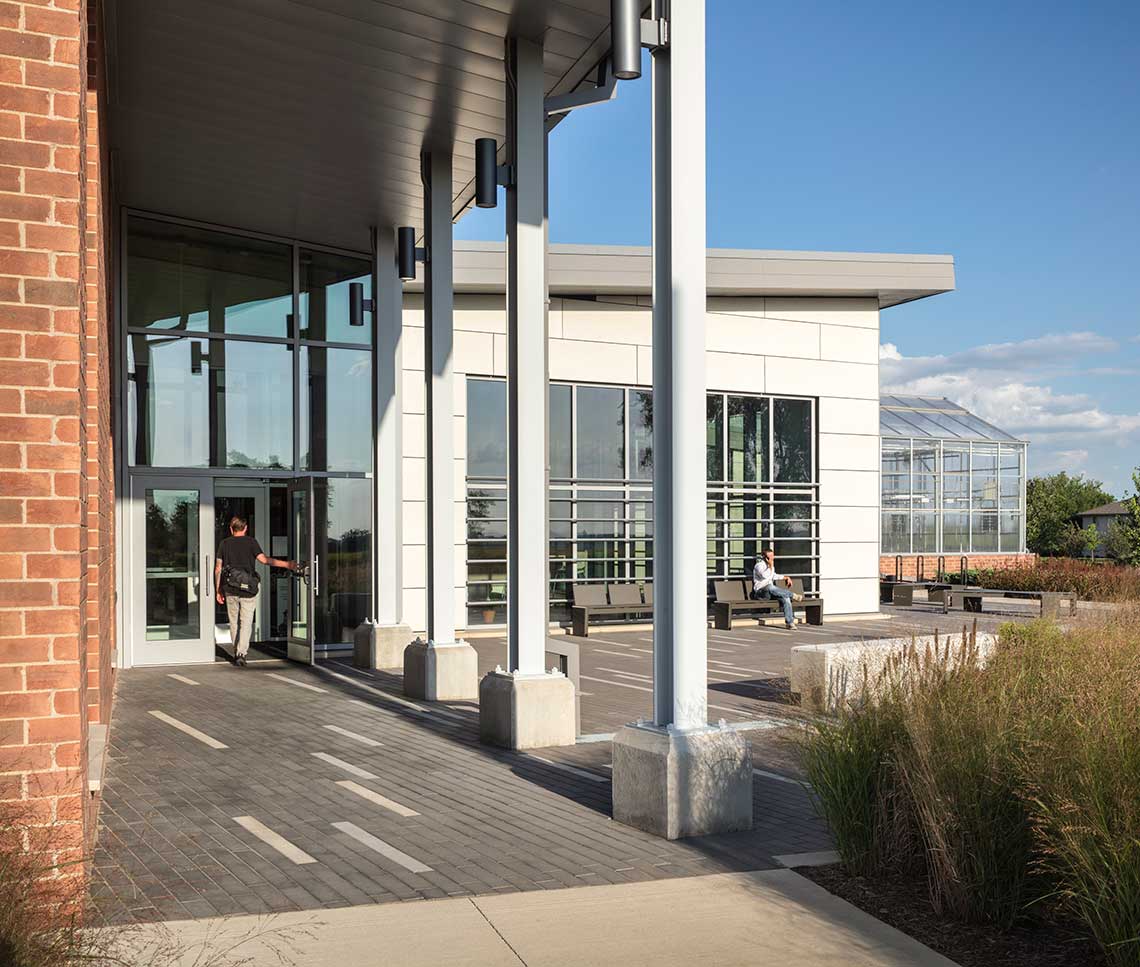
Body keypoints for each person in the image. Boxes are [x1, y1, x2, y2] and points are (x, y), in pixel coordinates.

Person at [215, 516, 300, 667]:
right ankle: (242, 653)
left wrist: (218, 590)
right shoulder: (251, 542)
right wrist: (287, 564)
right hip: (248, 588)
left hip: (230, 588)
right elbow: (264, 560)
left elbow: (218, 569)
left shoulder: (224, 543)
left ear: (231, 528)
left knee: (233, 622)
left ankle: (236, 652)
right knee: (246, 622)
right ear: (245, 528)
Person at [752, 547, 803, 630]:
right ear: (765, 557)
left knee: (785, 598)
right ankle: (792, 595)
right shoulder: (759, 566)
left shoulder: (771, 566)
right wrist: (770, 566)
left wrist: (786, 577)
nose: (772, 558)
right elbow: (765, 575)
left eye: (773, 556)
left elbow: (774, 575)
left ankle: (789, 623)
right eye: (770, 556)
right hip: (761, 593)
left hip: (771, 592)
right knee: (769, 586)